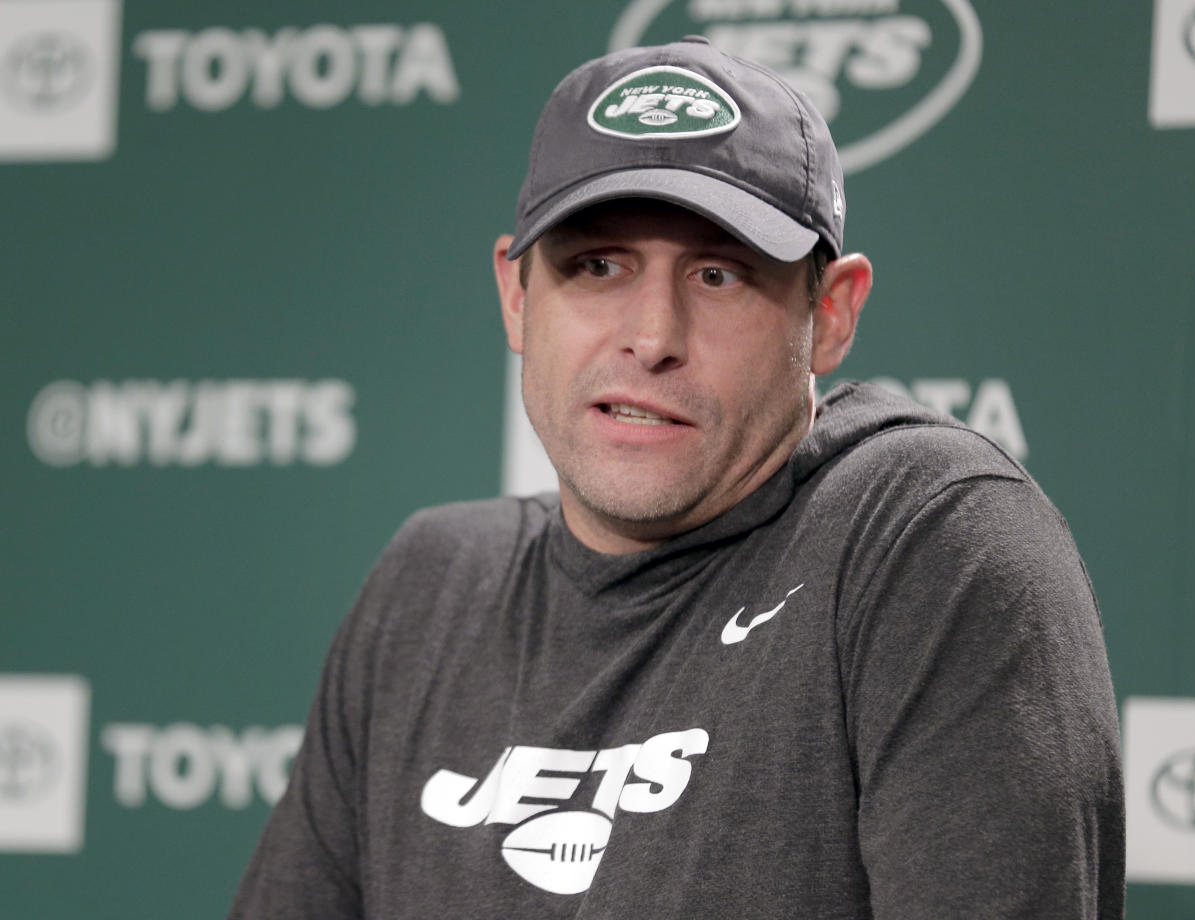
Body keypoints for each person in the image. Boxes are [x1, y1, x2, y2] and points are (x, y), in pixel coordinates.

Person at [230, 37, 1124, 919]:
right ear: (516, 296)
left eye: (718, 273)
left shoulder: (923, 541)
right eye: (598, 265)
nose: (653, 335)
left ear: (833, 313)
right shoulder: (429, 586)